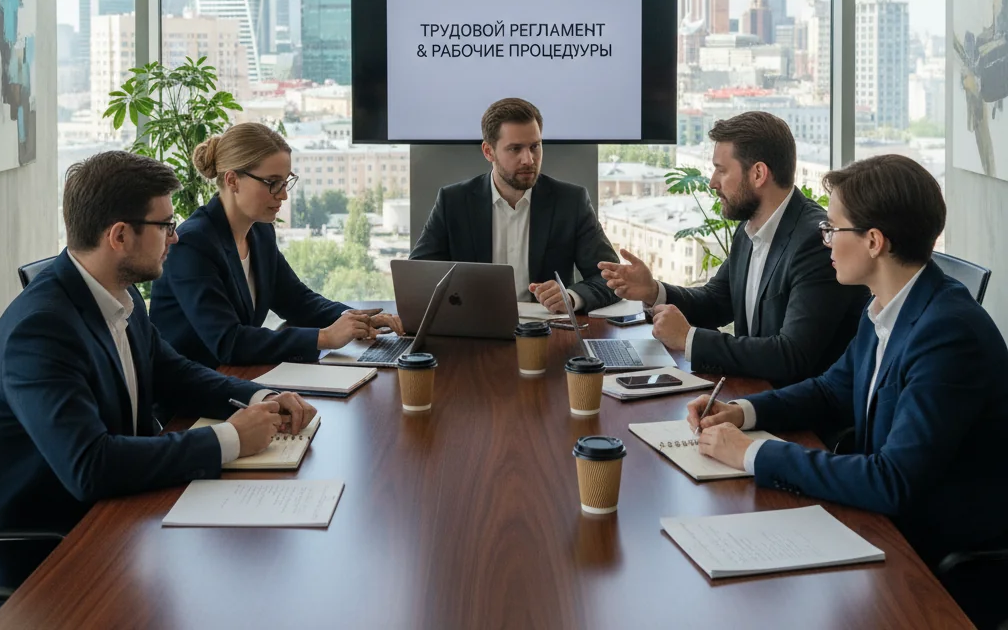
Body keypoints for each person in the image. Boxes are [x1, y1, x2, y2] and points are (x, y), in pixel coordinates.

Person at [0, 151, 316, 597]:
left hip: (122, 519)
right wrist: (231, 439)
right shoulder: (39, 331)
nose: (175, 238)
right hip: (54, 558)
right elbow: (91, 466)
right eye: (165, 225)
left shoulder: (121, 295)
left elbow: (174, 372)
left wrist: (259, 398)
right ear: (120, 236)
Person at [688, 154, 1008, 573]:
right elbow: (831, 389)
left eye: (832, 229)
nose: (826, 241)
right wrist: (744, 411)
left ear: (874, 242)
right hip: (880, 523)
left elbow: (893, 481)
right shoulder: (886, 304)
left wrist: (753, 454)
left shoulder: (948, 334)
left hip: (931, 552)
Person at [599, 112, 868, 385]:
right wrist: (655, 292)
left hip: (801, 417)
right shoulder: (750, 227)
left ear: (759, 174)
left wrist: (690, 339)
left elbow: (792, 355)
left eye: (722, 170)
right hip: (754, 393)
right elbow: (718, 301)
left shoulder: (814, 241)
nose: (712, 182)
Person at [150, 123, 403, 367]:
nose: (283, 195)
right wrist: (325, 338)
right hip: (191, 401)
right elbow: (228, 341)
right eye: (272, 183)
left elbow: (297, 301)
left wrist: (357, 319)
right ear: (232, 181)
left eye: (285, 181)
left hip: (237, 379)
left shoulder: (260, 233)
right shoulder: (192, 244)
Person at [410, 97, 618, 313]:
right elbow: (417, 276)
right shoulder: (453, 201)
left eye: (535, 147)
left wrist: (572, 297)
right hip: (472, 327)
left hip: (547, 332)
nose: (528, 159)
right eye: (515, 149)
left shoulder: (571, 201)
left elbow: (611, 280)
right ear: (488, 151)